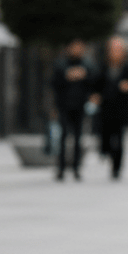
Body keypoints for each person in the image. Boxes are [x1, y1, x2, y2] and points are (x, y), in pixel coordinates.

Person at [93, 36, 128, 180]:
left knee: (119, 140)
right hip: (105, 110)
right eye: (113, 49)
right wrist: (95, 96)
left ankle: (116, 168)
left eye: (119, 49)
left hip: (121, 111)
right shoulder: (103, 67)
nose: (116, 52)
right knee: (105, 137)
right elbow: (95, 86)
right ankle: (105, 152)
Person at [51, 39, 93, 180]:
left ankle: (76, 168)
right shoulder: (61, 64)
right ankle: (61, 168)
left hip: (80, 106)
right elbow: (54, 84)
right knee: (63, 137)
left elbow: (93, 82)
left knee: (77, 138)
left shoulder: (87, 64)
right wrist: (67, 75)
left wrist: (84, 75)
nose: (76, 50)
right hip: (64, 106)